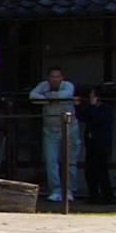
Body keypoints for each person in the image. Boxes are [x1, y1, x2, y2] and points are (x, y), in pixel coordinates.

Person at [29, 67, 77, 202]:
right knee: (51, 161)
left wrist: (47, 97)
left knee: (70, 161)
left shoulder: (68, 85)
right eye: (52, 76)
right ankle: (55, 190)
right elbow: (33, 96)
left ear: (62, 77)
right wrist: (49, 99)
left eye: (57, 76)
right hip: (50, 130)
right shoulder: (43, 85)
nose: (55, 79)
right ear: (48, 78)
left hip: (69, 128)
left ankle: (69, 190)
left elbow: (65, 95)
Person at [81, 85, 113, 203]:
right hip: (91, 143)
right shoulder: (91, 107)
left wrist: (94, 106)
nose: (90, 96)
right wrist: (81, 105)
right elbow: (82, 117)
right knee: (90, 171)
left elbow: (97, 119)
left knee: (101, 171)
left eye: (92, 94)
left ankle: (107, 196)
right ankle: (93, 195)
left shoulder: (106, 108)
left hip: (101, 144)